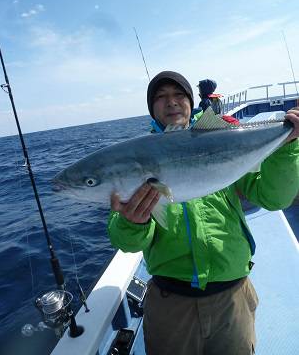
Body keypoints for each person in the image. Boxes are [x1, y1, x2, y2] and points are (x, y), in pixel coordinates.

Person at [108, 71, 299, 355]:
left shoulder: (223, 135)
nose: (171, 102)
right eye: (160, 97)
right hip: (171, 303)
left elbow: (272, 198)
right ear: (152, 109)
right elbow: (128, 242)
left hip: (232, 297)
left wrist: (288, 147)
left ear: (190, 101)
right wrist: (133, 222)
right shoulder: (134, 159)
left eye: (178, 95)